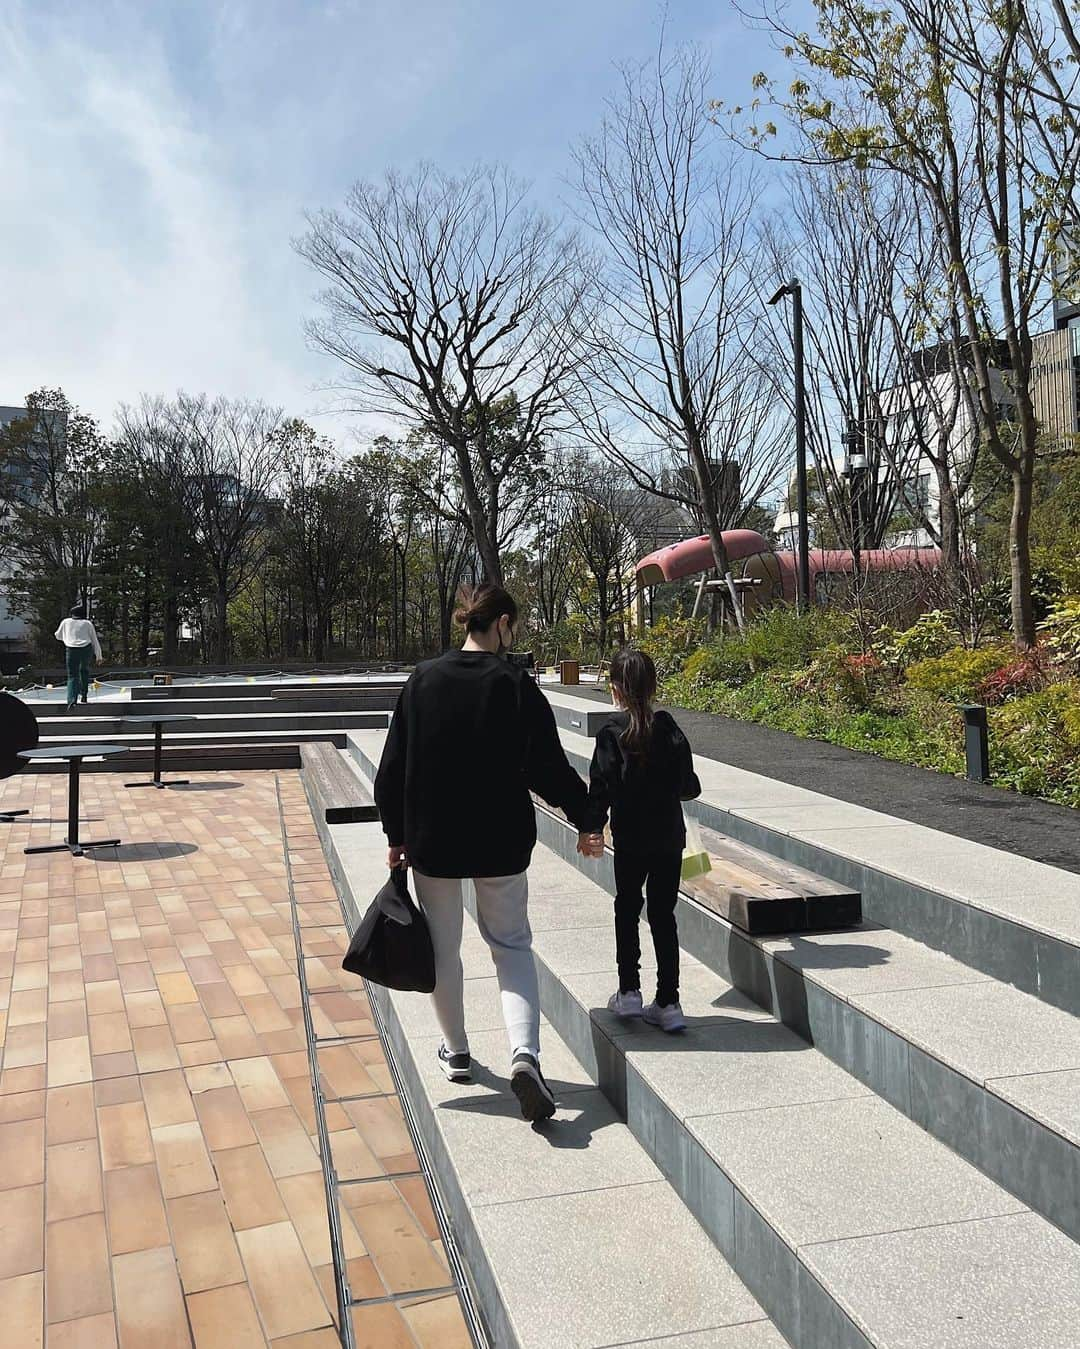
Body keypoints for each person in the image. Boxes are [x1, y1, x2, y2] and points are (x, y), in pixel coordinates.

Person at [374, 583, 600, 1122]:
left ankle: (456, 1052)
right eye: (513, 626)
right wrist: (588, 817)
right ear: (501, 623)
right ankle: (525, 1055)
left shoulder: (422, 680)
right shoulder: (516, 685)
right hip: (500, 841)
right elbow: (550, 769)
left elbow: (392, 767)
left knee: (443, 948)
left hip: (435, 841)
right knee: (511, 946)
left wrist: (395, 835)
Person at [586, 647, 701, 1033]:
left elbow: (599, 790)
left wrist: (592, 829)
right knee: (663, 914)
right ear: (652, 686)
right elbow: (689, 786)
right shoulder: (668, 728)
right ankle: (669, 1001)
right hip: (668, 837)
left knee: (627, 907)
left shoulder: (611, 734)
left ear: (615, 688)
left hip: (631, 838)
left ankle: (629, 991)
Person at [55, 604, 102, 711]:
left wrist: (67, 638)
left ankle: (72, 700)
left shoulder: (66, 622)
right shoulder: (87, 623)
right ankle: (84, 695)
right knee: (84, 670)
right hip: (86, 649)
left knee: (72, 675)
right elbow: (94, 640)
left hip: (71, 649)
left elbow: (57, 635)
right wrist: (98, 655)